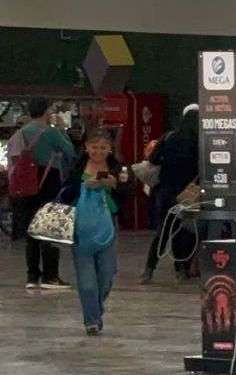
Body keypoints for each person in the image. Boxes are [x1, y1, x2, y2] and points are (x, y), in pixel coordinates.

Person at [59, 129, 130, 335]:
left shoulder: (118, 169)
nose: (98, 152)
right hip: (80, 230)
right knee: (87, 282)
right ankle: (91, 320)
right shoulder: (76, 168)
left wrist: (115, 186)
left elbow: (128, 195)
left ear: (110, 149)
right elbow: (64, 194)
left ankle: (95, 308)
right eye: (94, 147)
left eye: (103, 148)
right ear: (86, 147)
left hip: (108, 227)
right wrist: (83, 186)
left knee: (106, 276)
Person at [8, 99, 77, 290]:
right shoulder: (51, 132)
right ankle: (50, 276)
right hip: (49, 181)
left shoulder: (21, 132)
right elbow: (70, 151)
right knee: (50, 229)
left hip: (27, 183)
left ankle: (32, 276)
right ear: (46, 111)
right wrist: (62, 130)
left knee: (32, 230)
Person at [141, 104, 200, 284]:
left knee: (164, 231)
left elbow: (153, 159)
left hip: (165, 192)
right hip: (188, 194)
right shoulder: (199, 141)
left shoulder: (168, 137)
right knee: (184, 232)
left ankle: (149, 270)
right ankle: (181, 270)